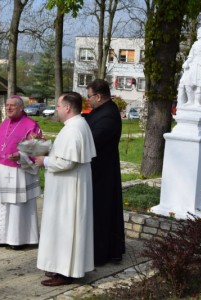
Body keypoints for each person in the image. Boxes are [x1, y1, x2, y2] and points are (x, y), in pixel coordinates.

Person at [34, 92, 96, 286]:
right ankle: (63, 268)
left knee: (66, 228)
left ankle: (66, 272)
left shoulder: (73, 129)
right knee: (65, 228)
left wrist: (44, 160)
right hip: (68, 187)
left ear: (67, 108)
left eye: (59, 106)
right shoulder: (77, 125)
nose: (57, 109)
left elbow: (67, 162)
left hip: (69, 191)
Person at [0, 95, 42, 250]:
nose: (9, 108)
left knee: (18, 205)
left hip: (19, 172)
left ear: (21, 107)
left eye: (12, 105)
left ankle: (19, 239)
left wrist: (22, 156)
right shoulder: (4, 124)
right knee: (2, 204)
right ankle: (2, 237)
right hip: (2, 171)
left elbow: (38, 150)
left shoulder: (31, 125)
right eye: (7, 105)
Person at [85, 79, 125, 266]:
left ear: (99, 96)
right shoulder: (100, 111)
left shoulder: (108, 115)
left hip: (103, 172)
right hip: (97, 170)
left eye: (89, 97)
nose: (88, 101)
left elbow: (93, 140)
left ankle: (101, 253)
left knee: (102, 214)